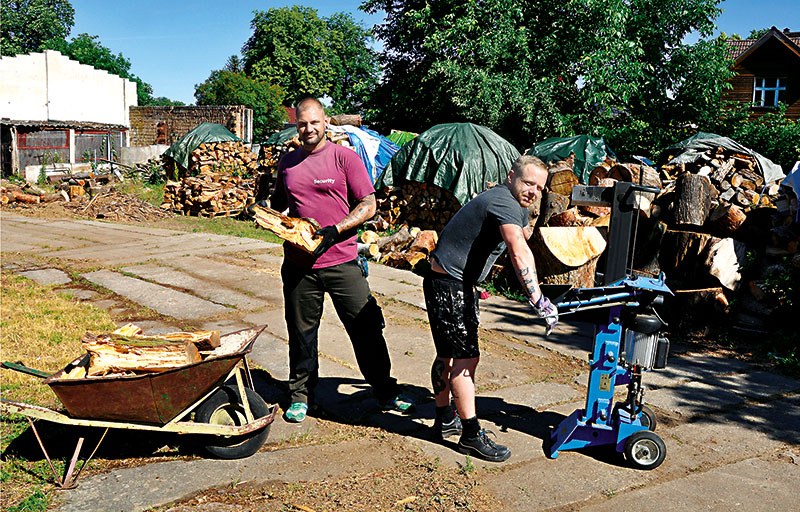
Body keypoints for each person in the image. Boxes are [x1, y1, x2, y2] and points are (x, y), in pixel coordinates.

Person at [269, 97, 413, 423]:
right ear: (297, 125)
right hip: (299, 265)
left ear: (325, 122)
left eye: (314, 122)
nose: (308, 128)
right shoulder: (288, 162)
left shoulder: (344, 158)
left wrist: (337, 230)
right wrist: (265, 211)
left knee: (366, 329)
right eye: (302, 123)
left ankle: (386, 391)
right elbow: (279, 204)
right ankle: (301, 396)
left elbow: (368, 204)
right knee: (301, 333)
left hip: (341, 260)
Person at [424, 155, 559, 462]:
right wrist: (538, 299)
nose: (534, 191)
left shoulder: (510, 203)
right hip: (449, 285)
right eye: (528, 183)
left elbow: (523, 233)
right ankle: (470, 435)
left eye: (540, 187)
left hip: (449, 281)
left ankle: (444, 417)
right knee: (465, 358)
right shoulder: (504, 201)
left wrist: (532, 212)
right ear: (511, 176)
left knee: (448, 353)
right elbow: (518, 248)